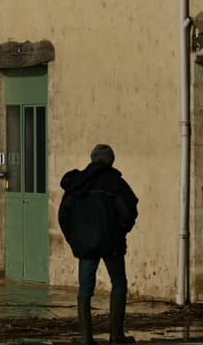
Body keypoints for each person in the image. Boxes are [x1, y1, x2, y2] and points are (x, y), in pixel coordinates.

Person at [59, 144, 138, 345]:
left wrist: (75, 239)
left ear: (92, 159)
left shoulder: (77, 183)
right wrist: (119, 232)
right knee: (119, 284)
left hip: (86, 245)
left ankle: (86, 338)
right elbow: (128, 212)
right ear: (111, 160)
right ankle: (116, 336)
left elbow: (63, 216)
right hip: (112, 244)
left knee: (85, 289)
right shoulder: (115, 183)